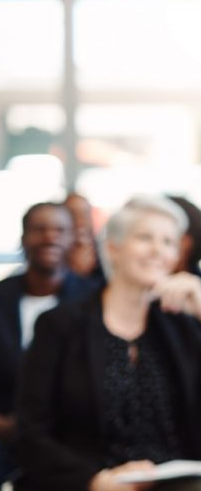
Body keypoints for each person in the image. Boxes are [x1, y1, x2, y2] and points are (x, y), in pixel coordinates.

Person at [15, 195, 201, 491]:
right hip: (91, 481)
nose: (158, 251)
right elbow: (30, 434)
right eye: (145, 238)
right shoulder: (61, 325)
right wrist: (93, 481)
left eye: (169, 242)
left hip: (172, 482)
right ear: (113, 247)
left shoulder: (179, 325)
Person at [0, 202, 97, 482]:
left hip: (69, 444)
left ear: (72, 238)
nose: (50, 237)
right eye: (39, 229)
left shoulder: (93, 301)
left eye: (59, 230)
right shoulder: (3, 296)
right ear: (23, 238)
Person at [63, 192, 105, 281]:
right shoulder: (54, 256)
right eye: (72, 215)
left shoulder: (106, 253)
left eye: (85, 214)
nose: (80, 222)